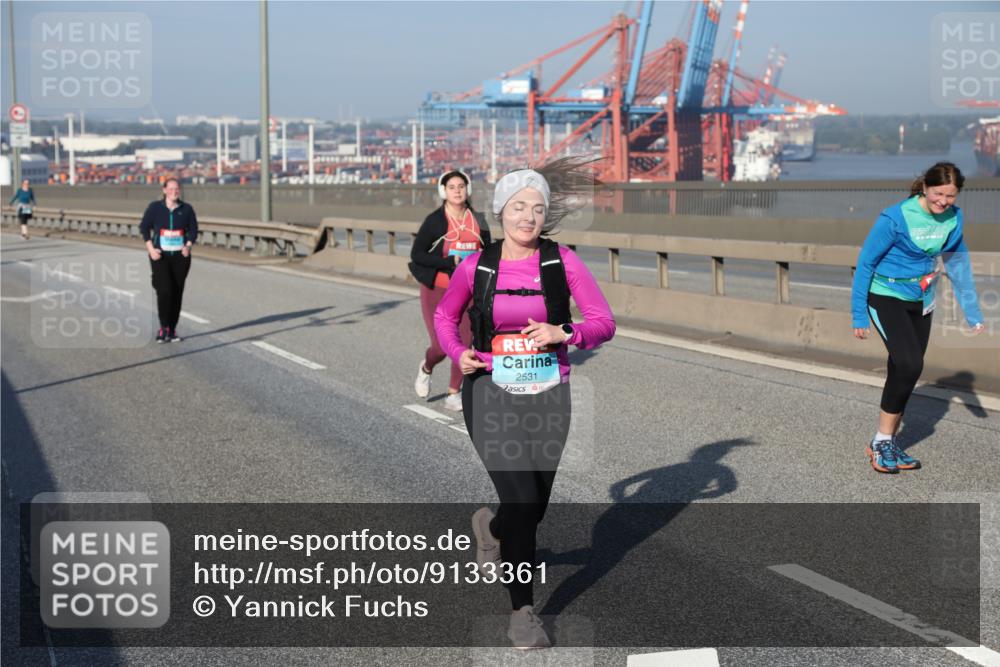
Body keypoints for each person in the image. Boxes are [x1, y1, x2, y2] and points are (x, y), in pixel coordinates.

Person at [434, 159, 615, 648]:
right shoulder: (478, 265)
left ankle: (491, 529)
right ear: (501, 212)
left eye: (537, 209)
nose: (529, 218)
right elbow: (445, 319)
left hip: (549, 392)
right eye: (518, 208)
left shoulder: (562, 262)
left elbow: (604, 321)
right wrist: (459, 355)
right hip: (490, 391)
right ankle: (524, 613)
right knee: (522, 499)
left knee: (533, 509)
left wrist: (565, 331)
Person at [851, 162, 984, 474]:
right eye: (938, 193)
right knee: (910, 364)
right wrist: (858, 314)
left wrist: (972, 311)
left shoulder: (953, 218)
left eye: (950, 196)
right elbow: (866, 263)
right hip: (885, 296)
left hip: (921, 299)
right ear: (925, 187)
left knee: (904, 370)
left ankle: (889, 442)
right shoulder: (896, 218)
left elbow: (958, 263)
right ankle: (881, 441)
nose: (943, 201)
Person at [409, 170, 491, 411]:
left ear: (468, 190)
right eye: (452, 187)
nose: (457, 190)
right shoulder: (435, 221)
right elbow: (417, 255)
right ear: (443, 191)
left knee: (464, 344)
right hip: (437, 290)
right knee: (442, 346)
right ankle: (426, 367)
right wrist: (449, 262)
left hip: (468, 291)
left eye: (461, 186)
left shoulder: (479, 220)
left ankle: (454, 393)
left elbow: (490, 252)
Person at [139, 178, 199, 343]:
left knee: (177, 292)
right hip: (160, 256)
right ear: (164, 190)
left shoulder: (186, 209)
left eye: (177, 189)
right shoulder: (155, 208)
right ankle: (163, 327)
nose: (174, 191)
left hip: (180, 258)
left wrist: (187, 246)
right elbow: (144, 227)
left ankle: (172, 329)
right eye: (171, 188)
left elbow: (193, 230)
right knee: (165, 290)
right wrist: (151, 249)